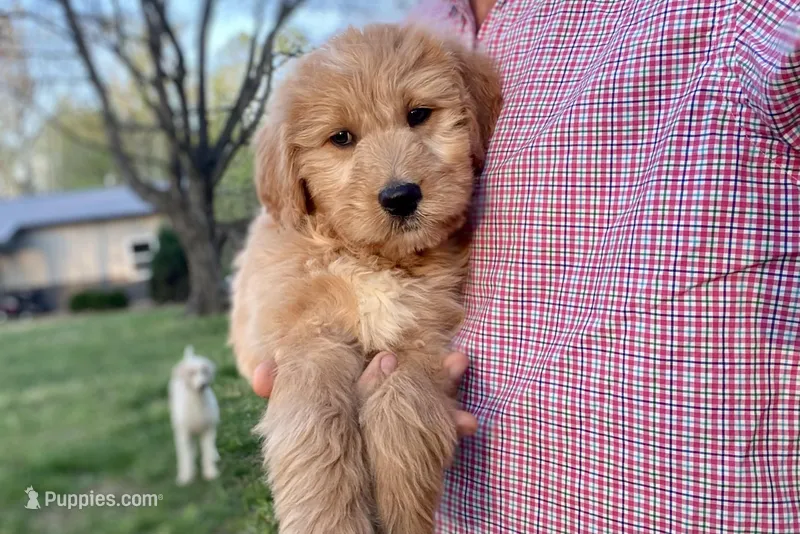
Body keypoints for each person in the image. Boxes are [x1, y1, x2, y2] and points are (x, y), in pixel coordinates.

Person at [253, 0, 800, 531]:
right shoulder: (425, 24)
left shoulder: (733, 18)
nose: (395, 177)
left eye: (419, 116)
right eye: (341, 139)